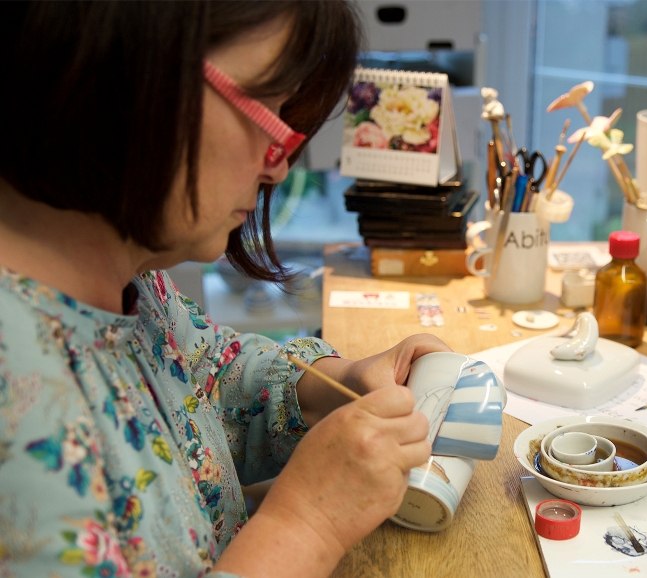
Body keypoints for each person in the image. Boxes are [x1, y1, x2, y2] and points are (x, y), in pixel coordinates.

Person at [0, 2, 451, 576]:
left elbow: (206, 380)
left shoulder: (130, 281)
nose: (280, 167)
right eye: (268, 109)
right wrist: (306, 525)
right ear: (128, 68)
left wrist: (338, 385)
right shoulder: (16, 400)